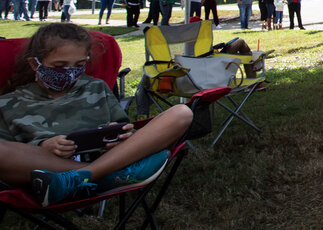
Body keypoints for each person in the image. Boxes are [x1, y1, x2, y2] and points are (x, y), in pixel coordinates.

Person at [0, 23, 192, 206]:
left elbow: (124, 130)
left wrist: (120, 135)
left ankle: (87, 176)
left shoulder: (95, 87)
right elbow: (12, 153)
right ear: (35, 64)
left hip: (105, 157)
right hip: (48, 170)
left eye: (79, 65)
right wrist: (43, 145)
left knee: (182, 113)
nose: (69, 72)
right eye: (60, 65)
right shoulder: (10, 103)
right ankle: (104, 176)